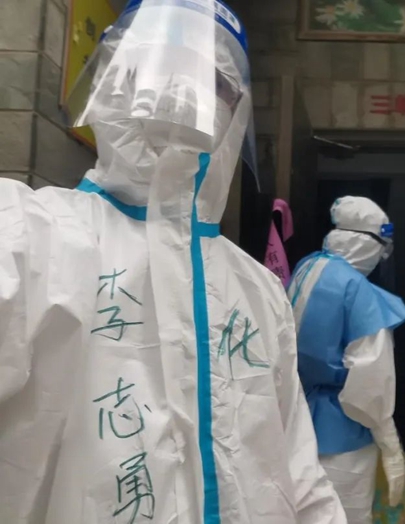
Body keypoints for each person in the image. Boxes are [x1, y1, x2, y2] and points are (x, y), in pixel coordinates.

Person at [0, 1, 346, 523]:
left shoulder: (256, 287)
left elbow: (297, 468)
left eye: (215, 81)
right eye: (158, 64)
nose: (184, 92)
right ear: (115, 79)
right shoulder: (26, 234)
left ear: (237, 113)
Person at [287, 196, 405, 524]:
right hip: (343, 436)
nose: (382, 257)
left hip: (295, 422)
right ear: (366, 243)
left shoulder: (307, 268)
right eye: (382, 248)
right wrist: (391, 447)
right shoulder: (359, 292)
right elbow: (370, 387)